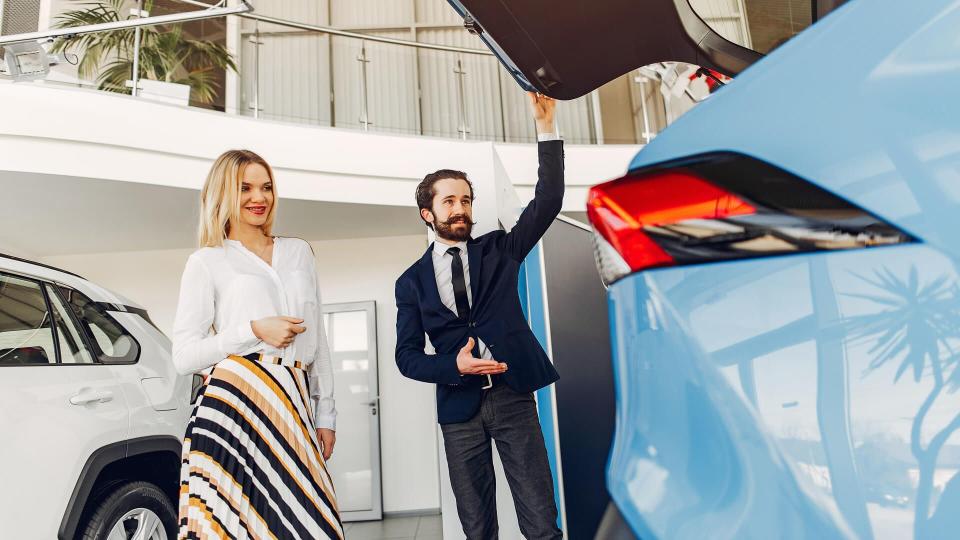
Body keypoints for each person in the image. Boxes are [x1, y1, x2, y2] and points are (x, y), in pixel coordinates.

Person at [395, 92, 564, 539]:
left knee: (542, 520)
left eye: (466, 200)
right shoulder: (410, 282)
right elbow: (407, 356)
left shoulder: (500, 249)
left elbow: (548, 201)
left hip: (513, 397)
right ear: (427, 213)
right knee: (477, 528)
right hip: (458, 408)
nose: (461, 209)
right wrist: (453, 365)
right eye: (449, 202)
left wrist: (546, 127)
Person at [172, 149, 342, 540]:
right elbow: (184, 356)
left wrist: (326, 413)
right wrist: (252, 329)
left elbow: (319, 340)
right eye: (245, 187)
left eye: (266, 187)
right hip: (235, 406)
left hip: (294, 400)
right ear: (224, 194)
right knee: (234, 527)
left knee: (312, 525)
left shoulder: (299, 252)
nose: (258, 197)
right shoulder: (206, 261)